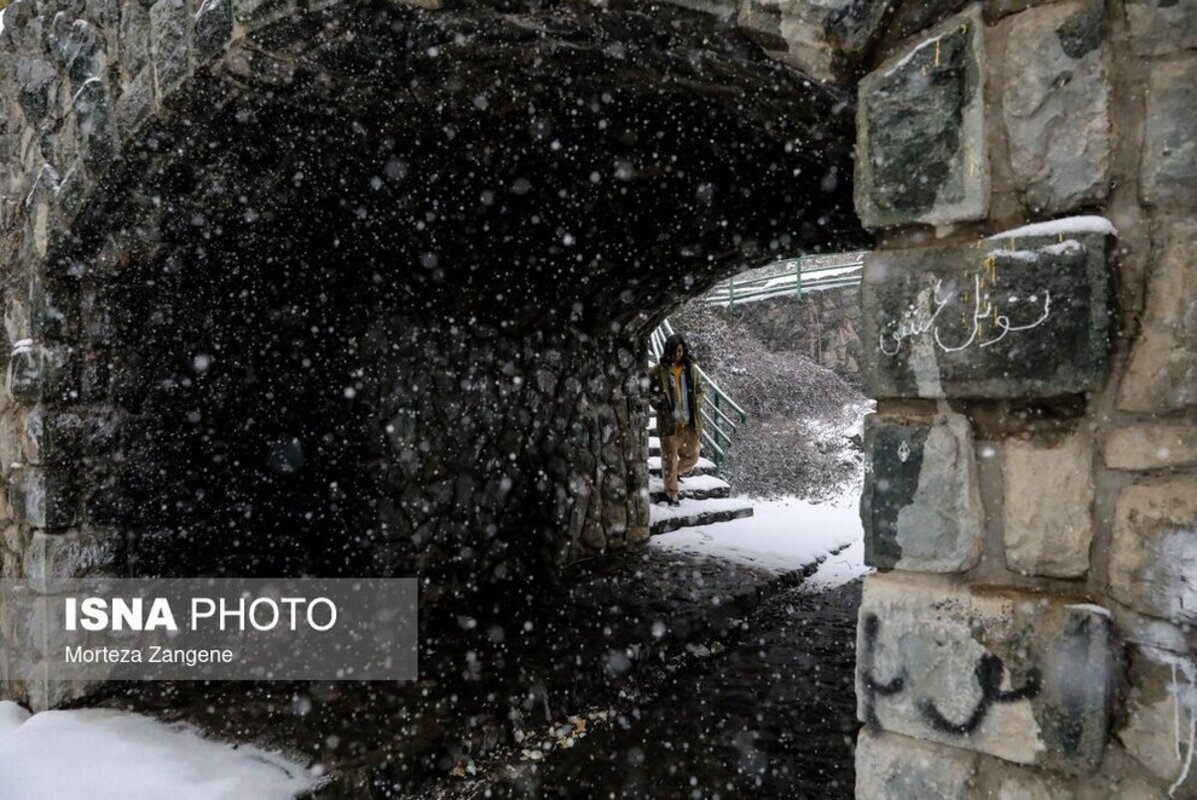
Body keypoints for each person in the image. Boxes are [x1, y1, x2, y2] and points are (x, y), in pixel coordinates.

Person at [652, 333, 704, 506]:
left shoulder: (691, 369)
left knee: (693, 456)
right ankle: (671, 493)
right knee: (669, 459)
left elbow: (699, 390)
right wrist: (658, 403)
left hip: (689, 423)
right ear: (669, 351)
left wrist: (699, 401)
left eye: (681, 350)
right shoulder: (659, 370)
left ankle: (672, 475)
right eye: (675, 351)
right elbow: (648, 390)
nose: (678, 354)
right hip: (669, 423)